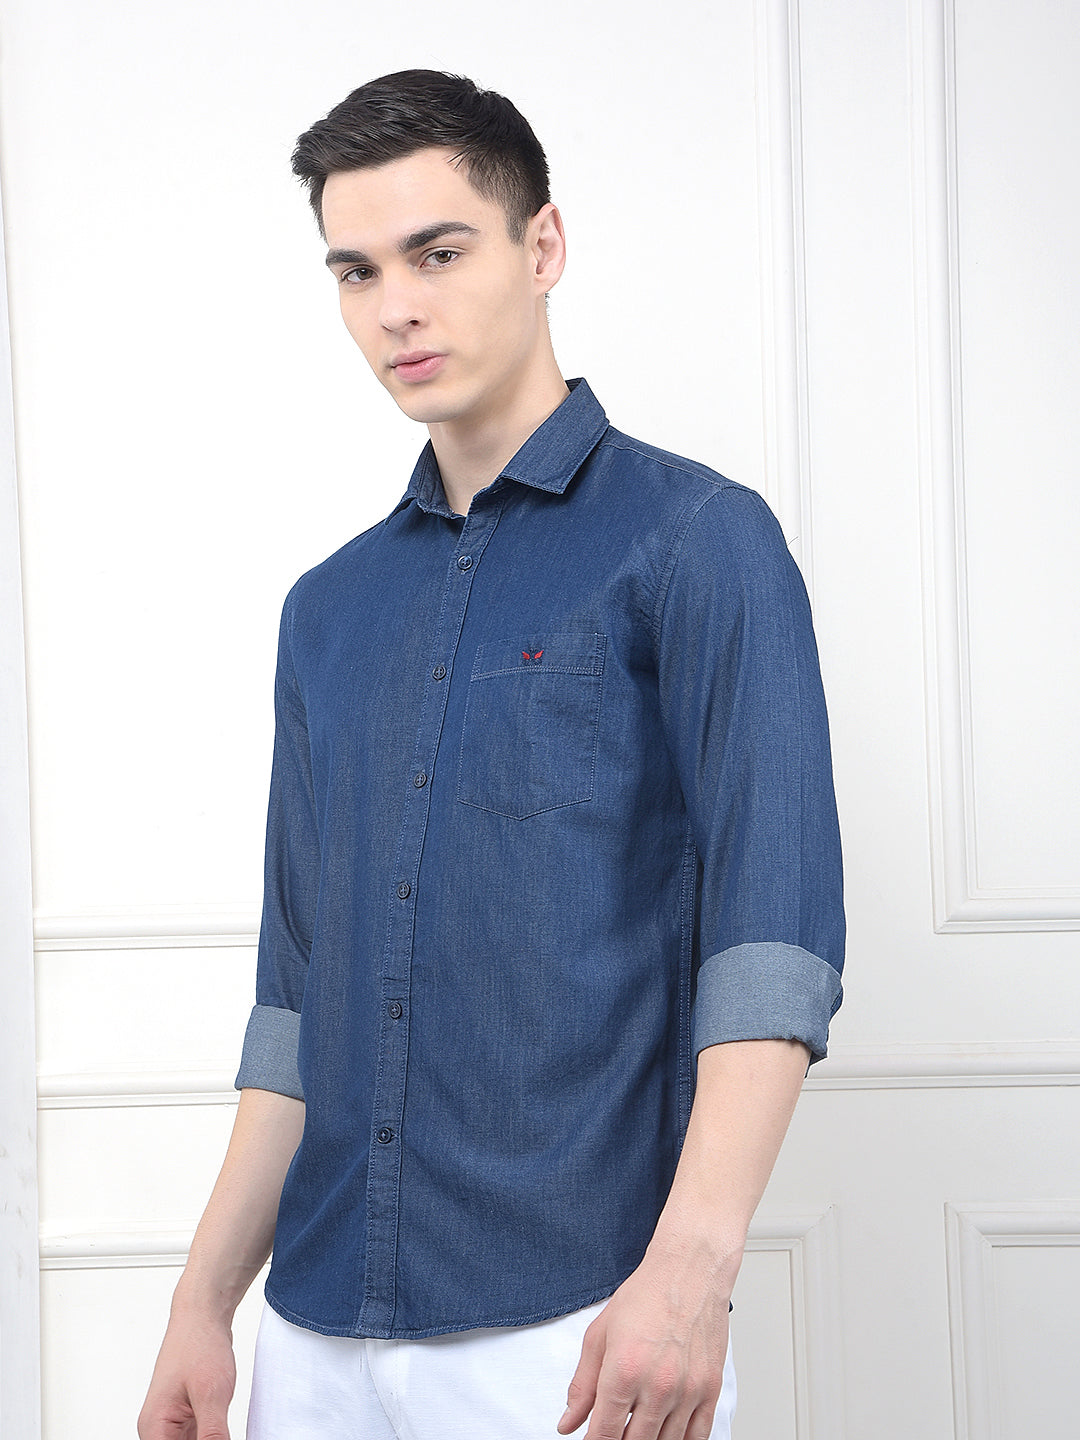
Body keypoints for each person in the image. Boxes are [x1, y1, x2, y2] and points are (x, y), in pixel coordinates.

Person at [138, 68, 845, 1440]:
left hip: (579, 1328)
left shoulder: (700, 543)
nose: (394, 307)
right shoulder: (327, 609)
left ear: (542, 246)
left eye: (437, 252)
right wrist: (201, 1304)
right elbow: (296, 997)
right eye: (355, 271)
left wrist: (689, 1278)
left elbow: (773, 940)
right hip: (312, 1334)